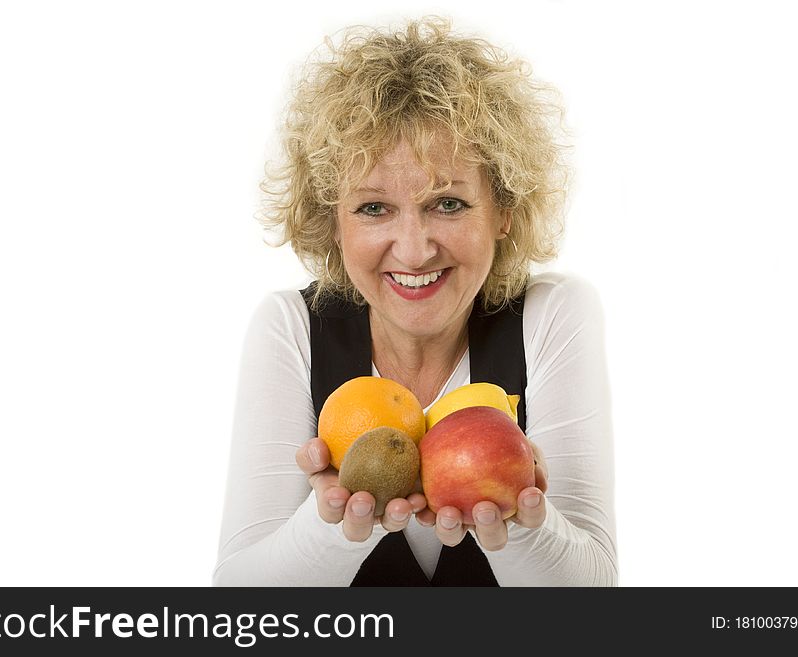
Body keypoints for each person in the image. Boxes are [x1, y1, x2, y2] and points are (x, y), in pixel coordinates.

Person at [213, 16, 617, 586]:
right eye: (374, 208)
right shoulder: (291, 327)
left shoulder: (552, 316)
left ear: (503, 210)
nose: (414, 248)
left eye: (448, 204)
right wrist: (337, 522)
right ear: (333, 220)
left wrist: (526, 523)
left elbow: (595, 596)